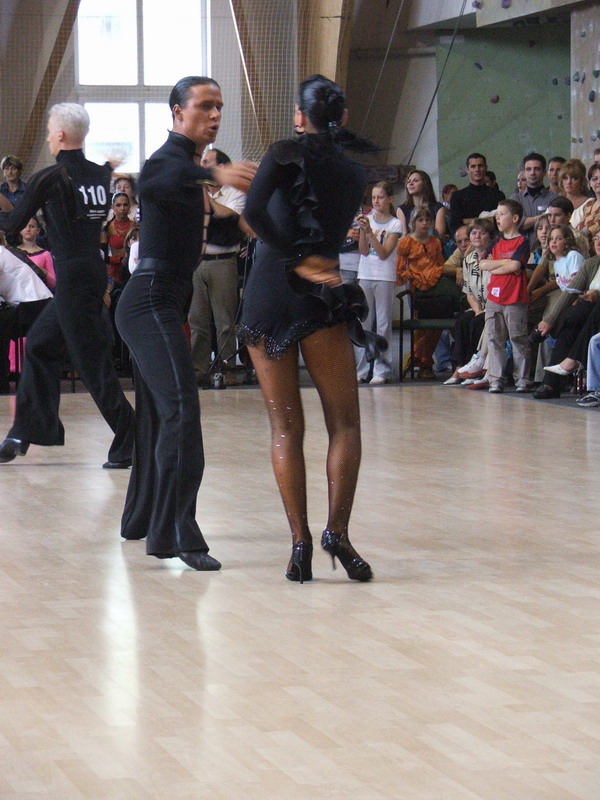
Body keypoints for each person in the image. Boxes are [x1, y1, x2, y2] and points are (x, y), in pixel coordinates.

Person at [115, 76, 255, 571]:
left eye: (219, 107)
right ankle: (177, 531)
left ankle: (141, 519)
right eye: (205, 106)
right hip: (149, 301)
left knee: (158, 414)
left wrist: (253, 218)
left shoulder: (191, 174)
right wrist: (215, 174)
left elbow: (222, 229)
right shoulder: (169, 163)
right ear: (177, 112)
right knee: (181, 409)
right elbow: (155, 181)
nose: (215, 115)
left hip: (164, 302)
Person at [240, 74, 374, 583]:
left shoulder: (280, 154)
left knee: (285, 428)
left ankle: (299, 544)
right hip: (320, 289)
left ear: (300, 117)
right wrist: (308, 257)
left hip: (268, 292)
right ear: (342, 117)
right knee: (345, 424)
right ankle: (336, 533)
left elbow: (255, 212)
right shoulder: (354, 171)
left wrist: (290, 253)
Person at [0, 103, 135, 466]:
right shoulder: (100, 174)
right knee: (40, 346)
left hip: (74, 278)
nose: (47, 136)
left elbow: (12, 225)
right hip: (90, 271)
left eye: (49, 130)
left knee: (91, 365)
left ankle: (131, 438)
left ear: (60, 134)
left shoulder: (51, 177)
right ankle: (25, 431)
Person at [188, 147, 246, 387]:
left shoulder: (235, 193)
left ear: (221, 168)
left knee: (225, 321)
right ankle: (198, 368)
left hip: (223, 262)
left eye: (207, 162)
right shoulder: (196, 193)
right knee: (196, 320)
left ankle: (228, 368)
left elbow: (226, 216)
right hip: (197, 263)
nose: (202, 166)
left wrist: (204, 197)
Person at [479, 199, 531, 393]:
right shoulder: (495, 242)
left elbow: (516, 265)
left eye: (502, 214)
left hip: (515, 299)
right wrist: (505, 264)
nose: (498, 218)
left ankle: (522, 379)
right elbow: (483, 264)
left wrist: (497, 266)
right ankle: (496, 379)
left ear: (515, 218)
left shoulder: (523, 242)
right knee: (494, 339)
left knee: (518, 339)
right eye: (497, 215)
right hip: (494, 298)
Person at [355, 181, 402, 384]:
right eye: (373, 197)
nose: (376, 201)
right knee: (364, 322)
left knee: (383, 324)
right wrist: (363, 231)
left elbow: (383, 253)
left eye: (380, 197)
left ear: (390, 199)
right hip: (365, 274)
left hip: (384, 276)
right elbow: (363, 251)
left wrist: (369, 232)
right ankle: (362, 369)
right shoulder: (367, 219)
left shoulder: (395, 224)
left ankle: (382, 369)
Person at [396, 205, 449, 378]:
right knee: (420, 326)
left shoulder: (435, 242)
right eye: (420, 220)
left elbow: (440, 264)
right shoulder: (406, 242)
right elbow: (400, 268)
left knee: (436, 326)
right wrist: (413, 278)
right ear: (413, 222)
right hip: (415, 288)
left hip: (435, 286)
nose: (424, 223)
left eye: (427, 220)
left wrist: (433, 275)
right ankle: (422, 362)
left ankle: (418, 358)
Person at [0, 232, 53, 393]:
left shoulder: (1, 253)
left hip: (34, 306)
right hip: (35, 306)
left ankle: (2, 380)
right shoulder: (5, 251)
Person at [448, 153, 505, 235]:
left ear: (486, 168)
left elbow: (502, 222)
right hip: (467, 240)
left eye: (480, 166)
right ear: (467, 170)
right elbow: (455, 225)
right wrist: (489, 220)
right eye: (473, 166)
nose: (477, 169)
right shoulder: (457, 197)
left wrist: (466, 221)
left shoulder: (498, 195)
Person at [511, 152, 557, 245]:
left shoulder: (555, 198)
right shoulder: (515, 199)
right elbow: (515, 225)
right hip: (520, 249)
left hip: (548, 249)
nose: (532, 173)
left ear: (544, 172)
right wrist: (542, 217)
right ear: (524, 172)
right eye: (528, 169)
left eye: (537, 169)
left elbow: (555, 225)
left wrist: (527, 221)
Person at [396, 169, 446, 238]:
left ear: (425, 184)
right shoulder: (402, 209)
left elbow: (439, 234)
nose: (411, 184)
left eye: (416, 181)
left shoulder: (438, 207)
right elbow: (404, 236)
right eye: (408, 181)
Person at [16, 217, 56, 289]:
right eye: (24, 226)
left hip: (39, 291)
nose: (28, 229)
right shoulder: (13, 252)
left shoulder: (45, 254)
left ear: (38, 230)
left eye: (31, 226)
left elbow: (53, 283)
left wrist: (43, 271)